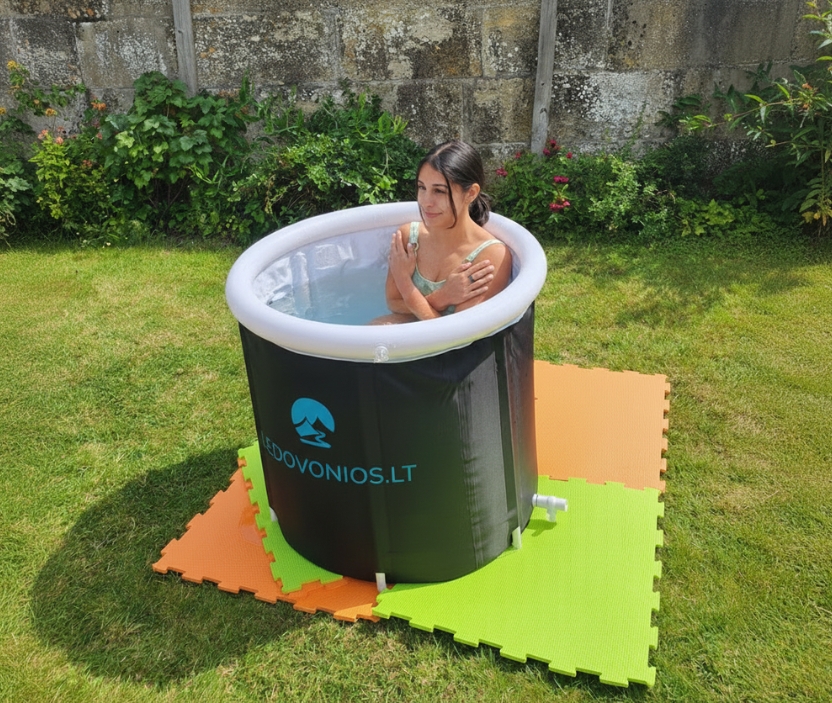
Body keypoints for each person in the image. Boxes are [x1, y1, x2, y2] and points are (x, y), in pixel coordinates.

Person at [376, 140, 513, 324]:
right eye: (422, 187)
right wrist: (442, 297)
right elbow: (393, 303)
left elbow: (457, 331)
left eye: (439, 191)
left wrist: (405, 284)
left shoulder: (490, 256)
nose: (426, 202)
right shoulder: (409, 238)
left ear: (471, 193)